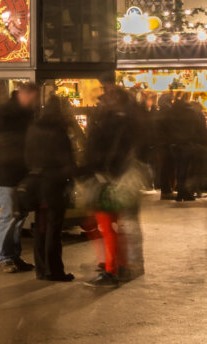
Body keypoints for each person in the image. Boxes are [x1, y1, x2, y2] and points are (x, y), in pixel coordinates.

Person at [83, 81, 138, 288]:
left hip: (105, 178)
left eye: (105, 97)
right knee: (109, 225)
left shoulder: (110, 123)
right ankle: (118, 264)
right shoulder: (123, 121)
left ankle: (111, 270)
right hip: (112, 177)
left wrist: (98, 171)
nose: (101, 100)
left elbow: (102, 150)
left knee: (106, 226)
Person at [0, 80, 37, 274]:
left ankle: (13, 256)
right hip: (8, 172)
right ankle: (5, 257)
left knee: (18, 216)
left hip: (18, 171)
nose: (34, 101)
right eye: (32, 97)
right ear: (23, 94)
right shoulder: (6, 114)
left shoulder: (24, 115)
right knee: (10, 216)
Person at [23, 93, 76, 282]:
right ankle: (54, 270)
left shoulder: (34, 128)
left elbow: (27, 155)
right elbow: (66, 160)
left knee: (41, 228)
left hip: (37, 184)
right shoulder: (59, 131)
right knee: (54, 229)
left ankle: (41, 269)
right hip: (53, 185)